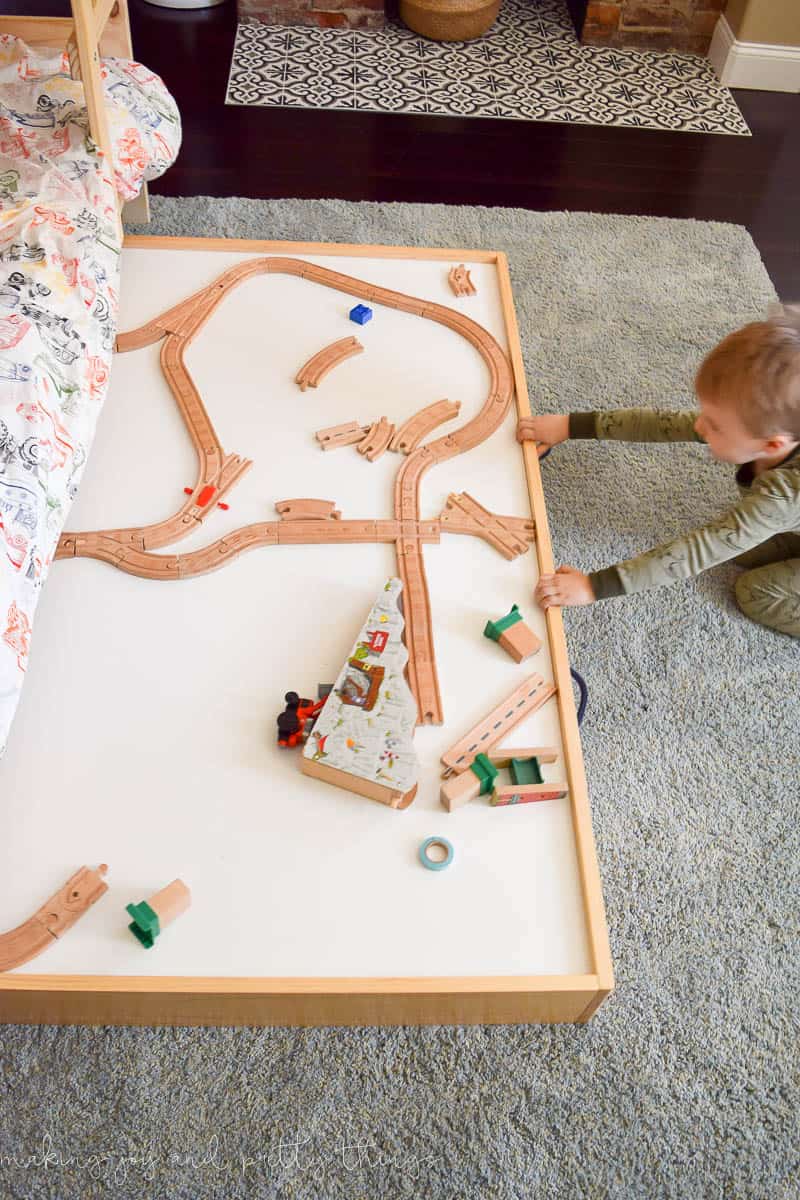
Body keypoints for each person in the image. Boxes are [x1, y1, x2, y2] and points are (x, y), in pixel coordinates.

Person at [517, 306, 800, 637]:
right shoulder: (761, 431)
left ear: (771, 446)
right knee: (748, 548)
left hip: (785, 508)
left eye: (715, 427)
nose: (698, 425)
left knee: (754, 591)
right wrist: (570, 425)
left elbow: (699, 549)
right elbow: (665, 424)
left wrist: (594, 586)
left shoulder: (779, 498)